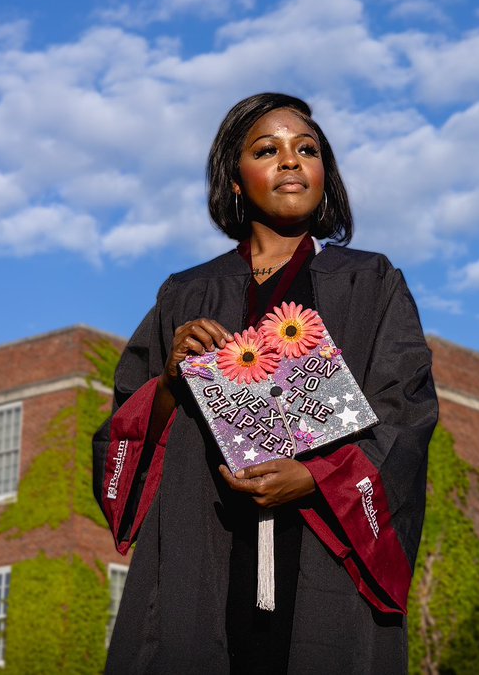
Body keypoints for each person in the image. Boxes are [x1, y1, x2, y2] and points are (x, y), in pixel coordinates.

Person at [93, 93, 438, 674]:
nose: (290, 161)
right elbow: (127, 433)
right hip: (202, 549)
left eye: (307, 150)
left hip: (325, 558)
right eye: (266, 150)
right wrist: (174, 384)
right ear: (234, 178)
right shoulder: (186, 294)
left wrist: (314, 478)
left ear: (325, 176)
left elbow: (405, 414)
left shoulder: (369, 283)